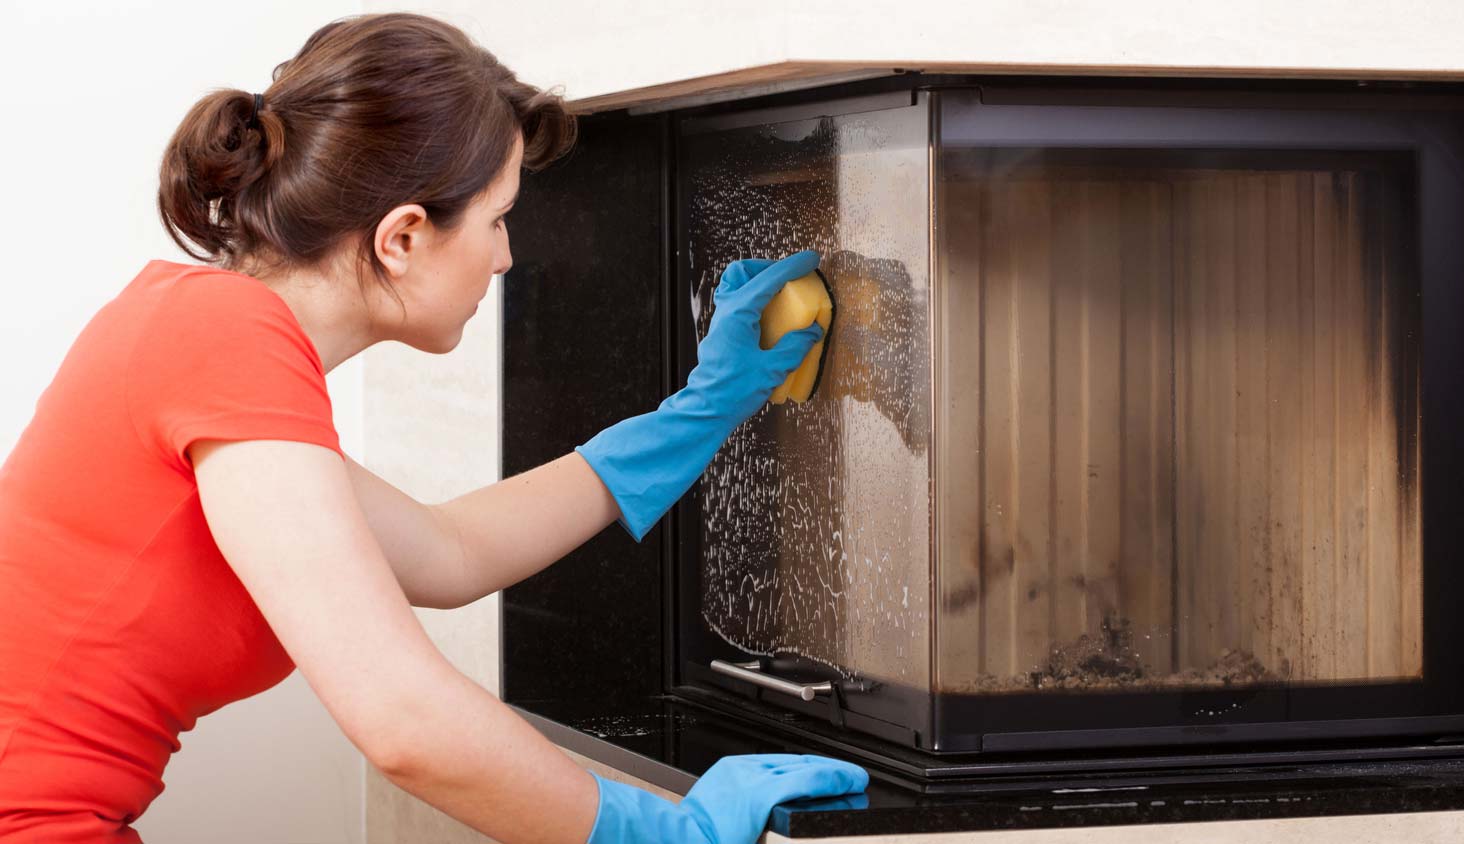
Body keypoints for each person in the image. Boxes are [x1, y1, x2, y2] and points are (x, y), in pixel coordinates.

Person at [0, 12, 865, 844]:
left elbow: (449, 553)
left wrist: (701, 409)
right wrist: (676, 833)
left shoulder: (199, 331)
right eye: (496, 219)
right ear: (404, 237)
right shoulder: (226, 340)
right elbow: (404, 721)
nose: (505, 256)